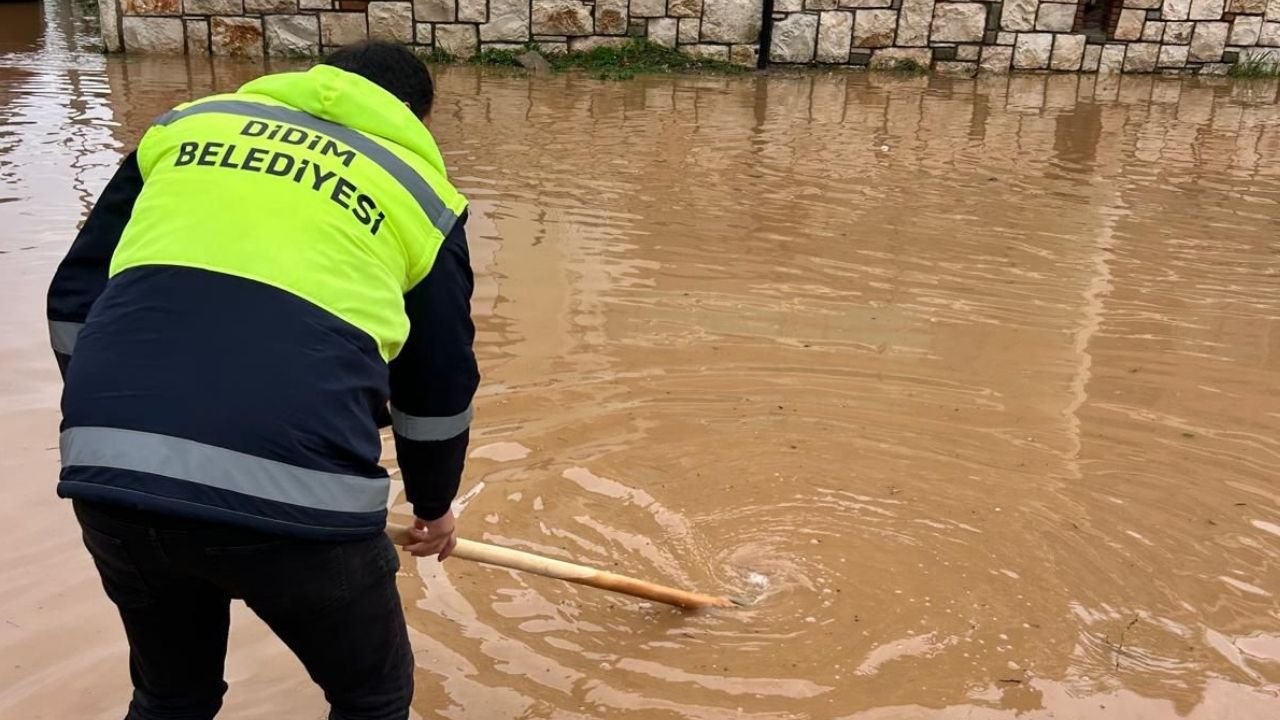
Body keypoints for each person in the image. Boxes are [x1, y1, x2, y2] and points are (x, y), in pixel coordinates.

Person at [45, 41, 479, 720]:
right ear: (415, 120)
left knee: (171, 695)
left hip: (110, 473)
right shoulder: (419, 195)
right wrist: (432, 508)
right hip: (298, 499)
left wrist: (116, 419)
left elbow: (73, 303)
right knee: (373, 695)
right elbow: (437, 392)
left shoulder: (185, 130)